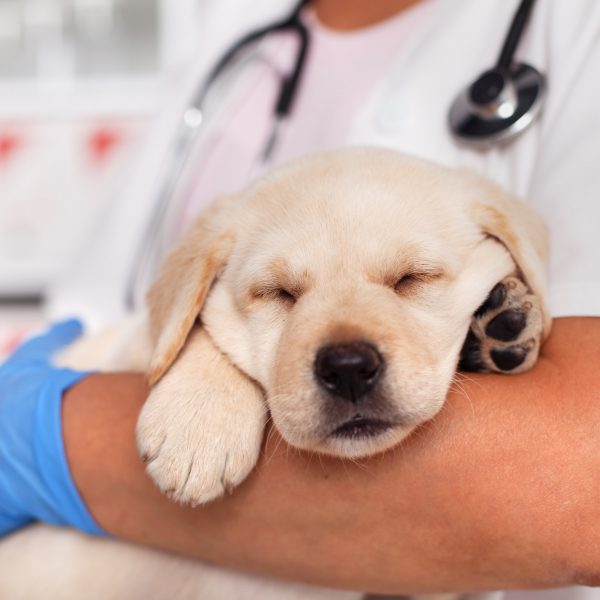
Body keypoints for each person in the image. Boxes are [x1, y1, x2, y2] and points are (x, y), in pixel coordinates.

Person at [1, 0, 599, 598]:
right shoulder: (234, 25)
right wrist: (206, 363)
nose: (346, 358)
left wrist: (52, 438)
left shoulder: (574, 24)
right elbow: (128, 316)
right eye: (280, 291)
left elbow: (581, 490)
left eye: (409, 278)